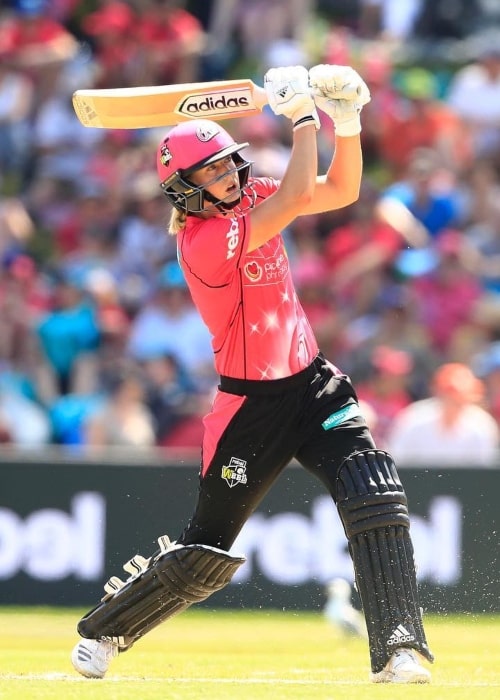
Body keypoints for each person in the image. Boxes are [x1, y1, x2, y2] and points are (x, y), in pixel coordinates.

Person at [71, 64, 433, 683]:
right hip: (250, 409)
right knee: (205, 552)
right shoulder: (203, 244)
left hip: (314, 386)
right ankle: (108, 631)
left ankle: (399, 648)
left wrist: (346, 122)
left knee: (375, 493)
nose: (228, 174)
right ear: (184, 191)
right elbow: (295, 196)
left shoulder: (256, 194)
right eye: (211, 170)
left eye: (228, 162)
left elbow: (340, 190)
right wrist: (300, 118)